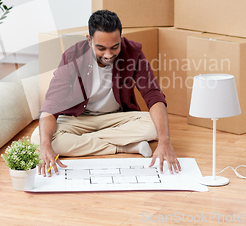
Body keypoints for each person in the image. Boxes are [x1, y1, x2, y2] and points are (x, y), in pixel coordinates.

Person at [32, 10, 181, 176]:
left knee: (155, 126)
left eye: (115, 47)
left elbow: (153, 95)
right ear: (89, 40)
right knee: (38, 138)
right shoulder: (72, 56)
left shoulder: (133, 53)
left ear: (120, 39)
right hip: (79, 119)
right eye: (101, 48)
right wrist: (45, 146)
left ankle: (85, 142)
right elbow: (52, 103)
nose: (109, 55)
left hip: (116, 119)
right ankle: (124, 146)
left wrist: (164, 141)